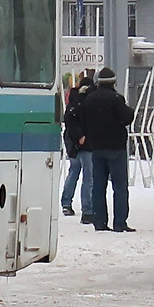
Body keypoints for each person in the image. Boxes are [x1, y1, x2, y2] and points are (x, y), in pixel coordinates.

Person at [79, 66, 137, 232]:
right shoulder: (116, 99)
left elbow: (83, 121)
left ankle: (100, 222)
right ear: (113, 83)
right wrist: (130, 110)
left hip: (96, 148)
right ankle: (119, 223)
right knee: (119, 187)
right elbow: (126, 117)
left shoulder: (89, 99)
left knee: (98, 186)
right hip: (116, 148)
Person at [61, 74, 95, 224]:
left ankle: (66, 202)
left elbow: (68, 119)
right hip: (85, 144)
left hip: (72, 143)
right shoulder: (87, 101)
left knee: (74, 172)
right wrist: (82, 136)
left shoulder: (73, 99)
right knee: (89, 177)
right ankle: (87, 208)